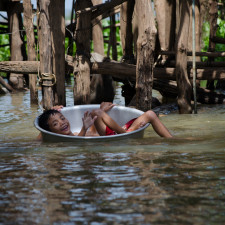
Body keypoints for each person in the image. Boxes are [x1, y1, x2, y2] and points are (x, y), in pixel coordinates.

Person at [37, 102, 172, 140]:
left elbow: (95, 131)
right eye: (55, 124)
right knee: (97, 112)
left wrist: (102, 112)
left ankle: (172, 140)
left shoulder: (79, 131)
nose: (62, 122)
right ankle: (123, 132)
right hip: (117, 136)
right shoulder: (77, 135)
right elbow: (78, 143)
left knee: (150, 114)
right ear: (50, 130)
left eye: (62, 118)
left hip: (117, 133)